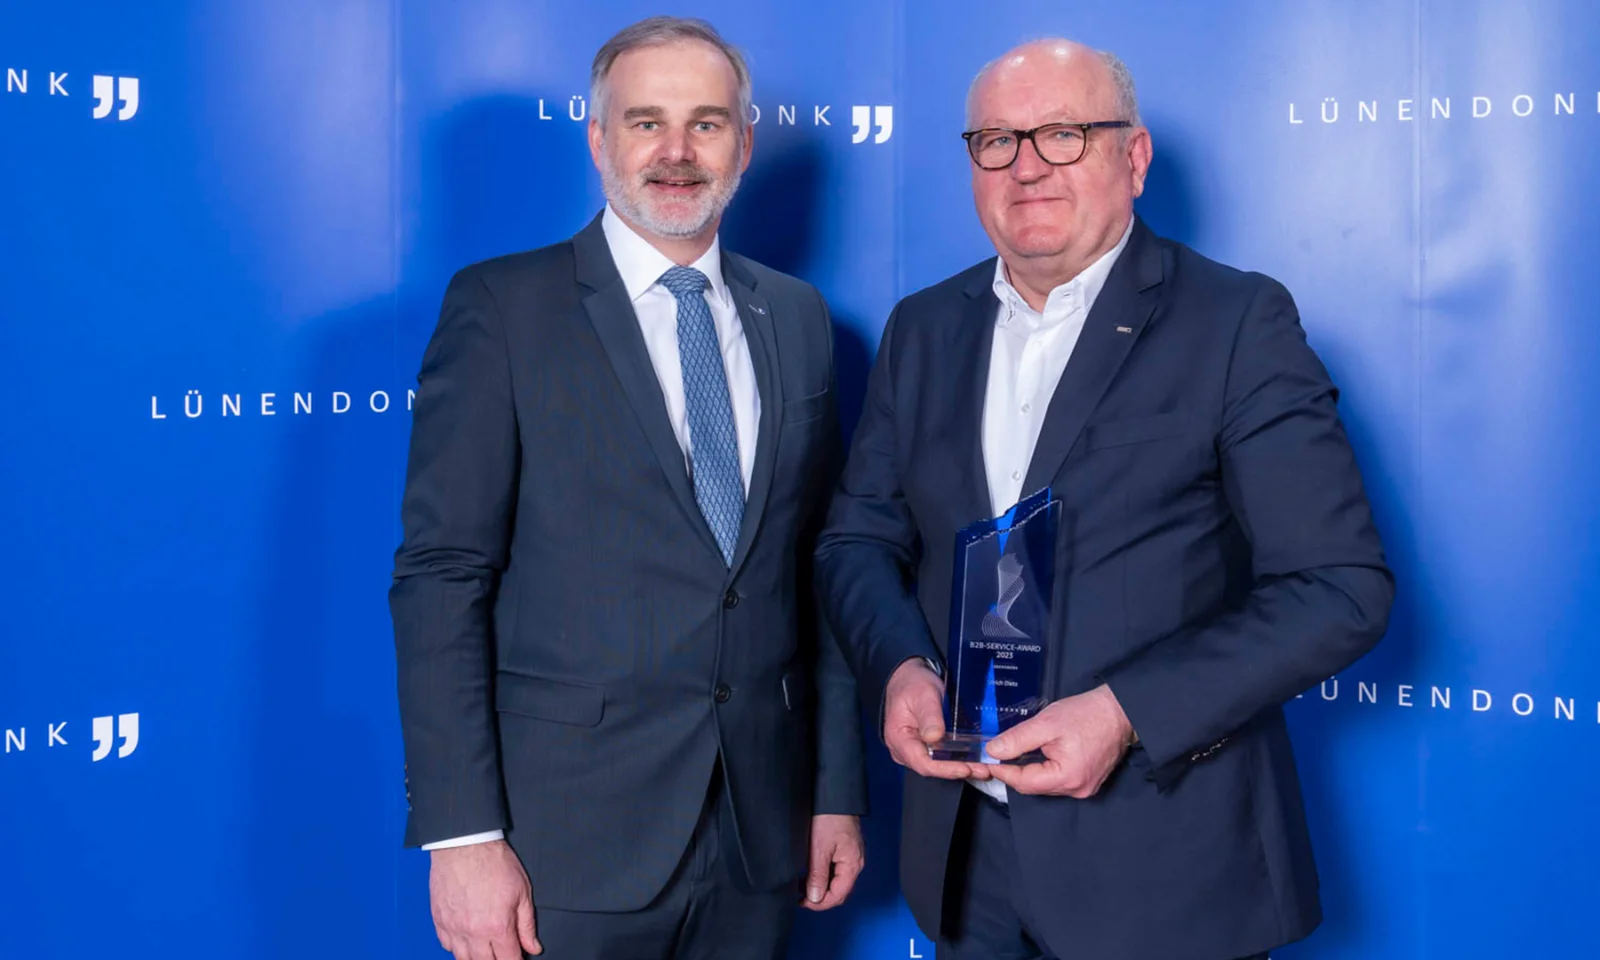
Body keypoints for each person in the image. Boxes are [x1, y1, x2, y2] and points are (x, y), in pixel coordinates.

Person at [815, 38, 1393, 960]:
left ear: (1134, 155)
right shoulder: (923, 329)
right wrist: (898, 667)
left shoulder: (1236, 322)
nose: (1028, 165)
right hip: (967, 871)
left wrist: (1124, 712)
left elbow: (1338, 587)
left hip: (1165, 865)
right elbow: (857, 541)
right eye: (997, 140)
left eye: (1064, 133)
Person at [390, 16, 866, 960]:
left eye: (707, 122)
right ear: (598, 138)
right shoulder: (503, 308)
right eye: (645, 122)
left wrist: (834, 789)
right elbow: (443, 576)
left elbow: (821, 575)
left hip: (758, 836)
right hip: (558, 847)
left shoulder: (803, 319)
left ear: (745, 141)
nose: (677, 152)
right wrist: (464, 837)